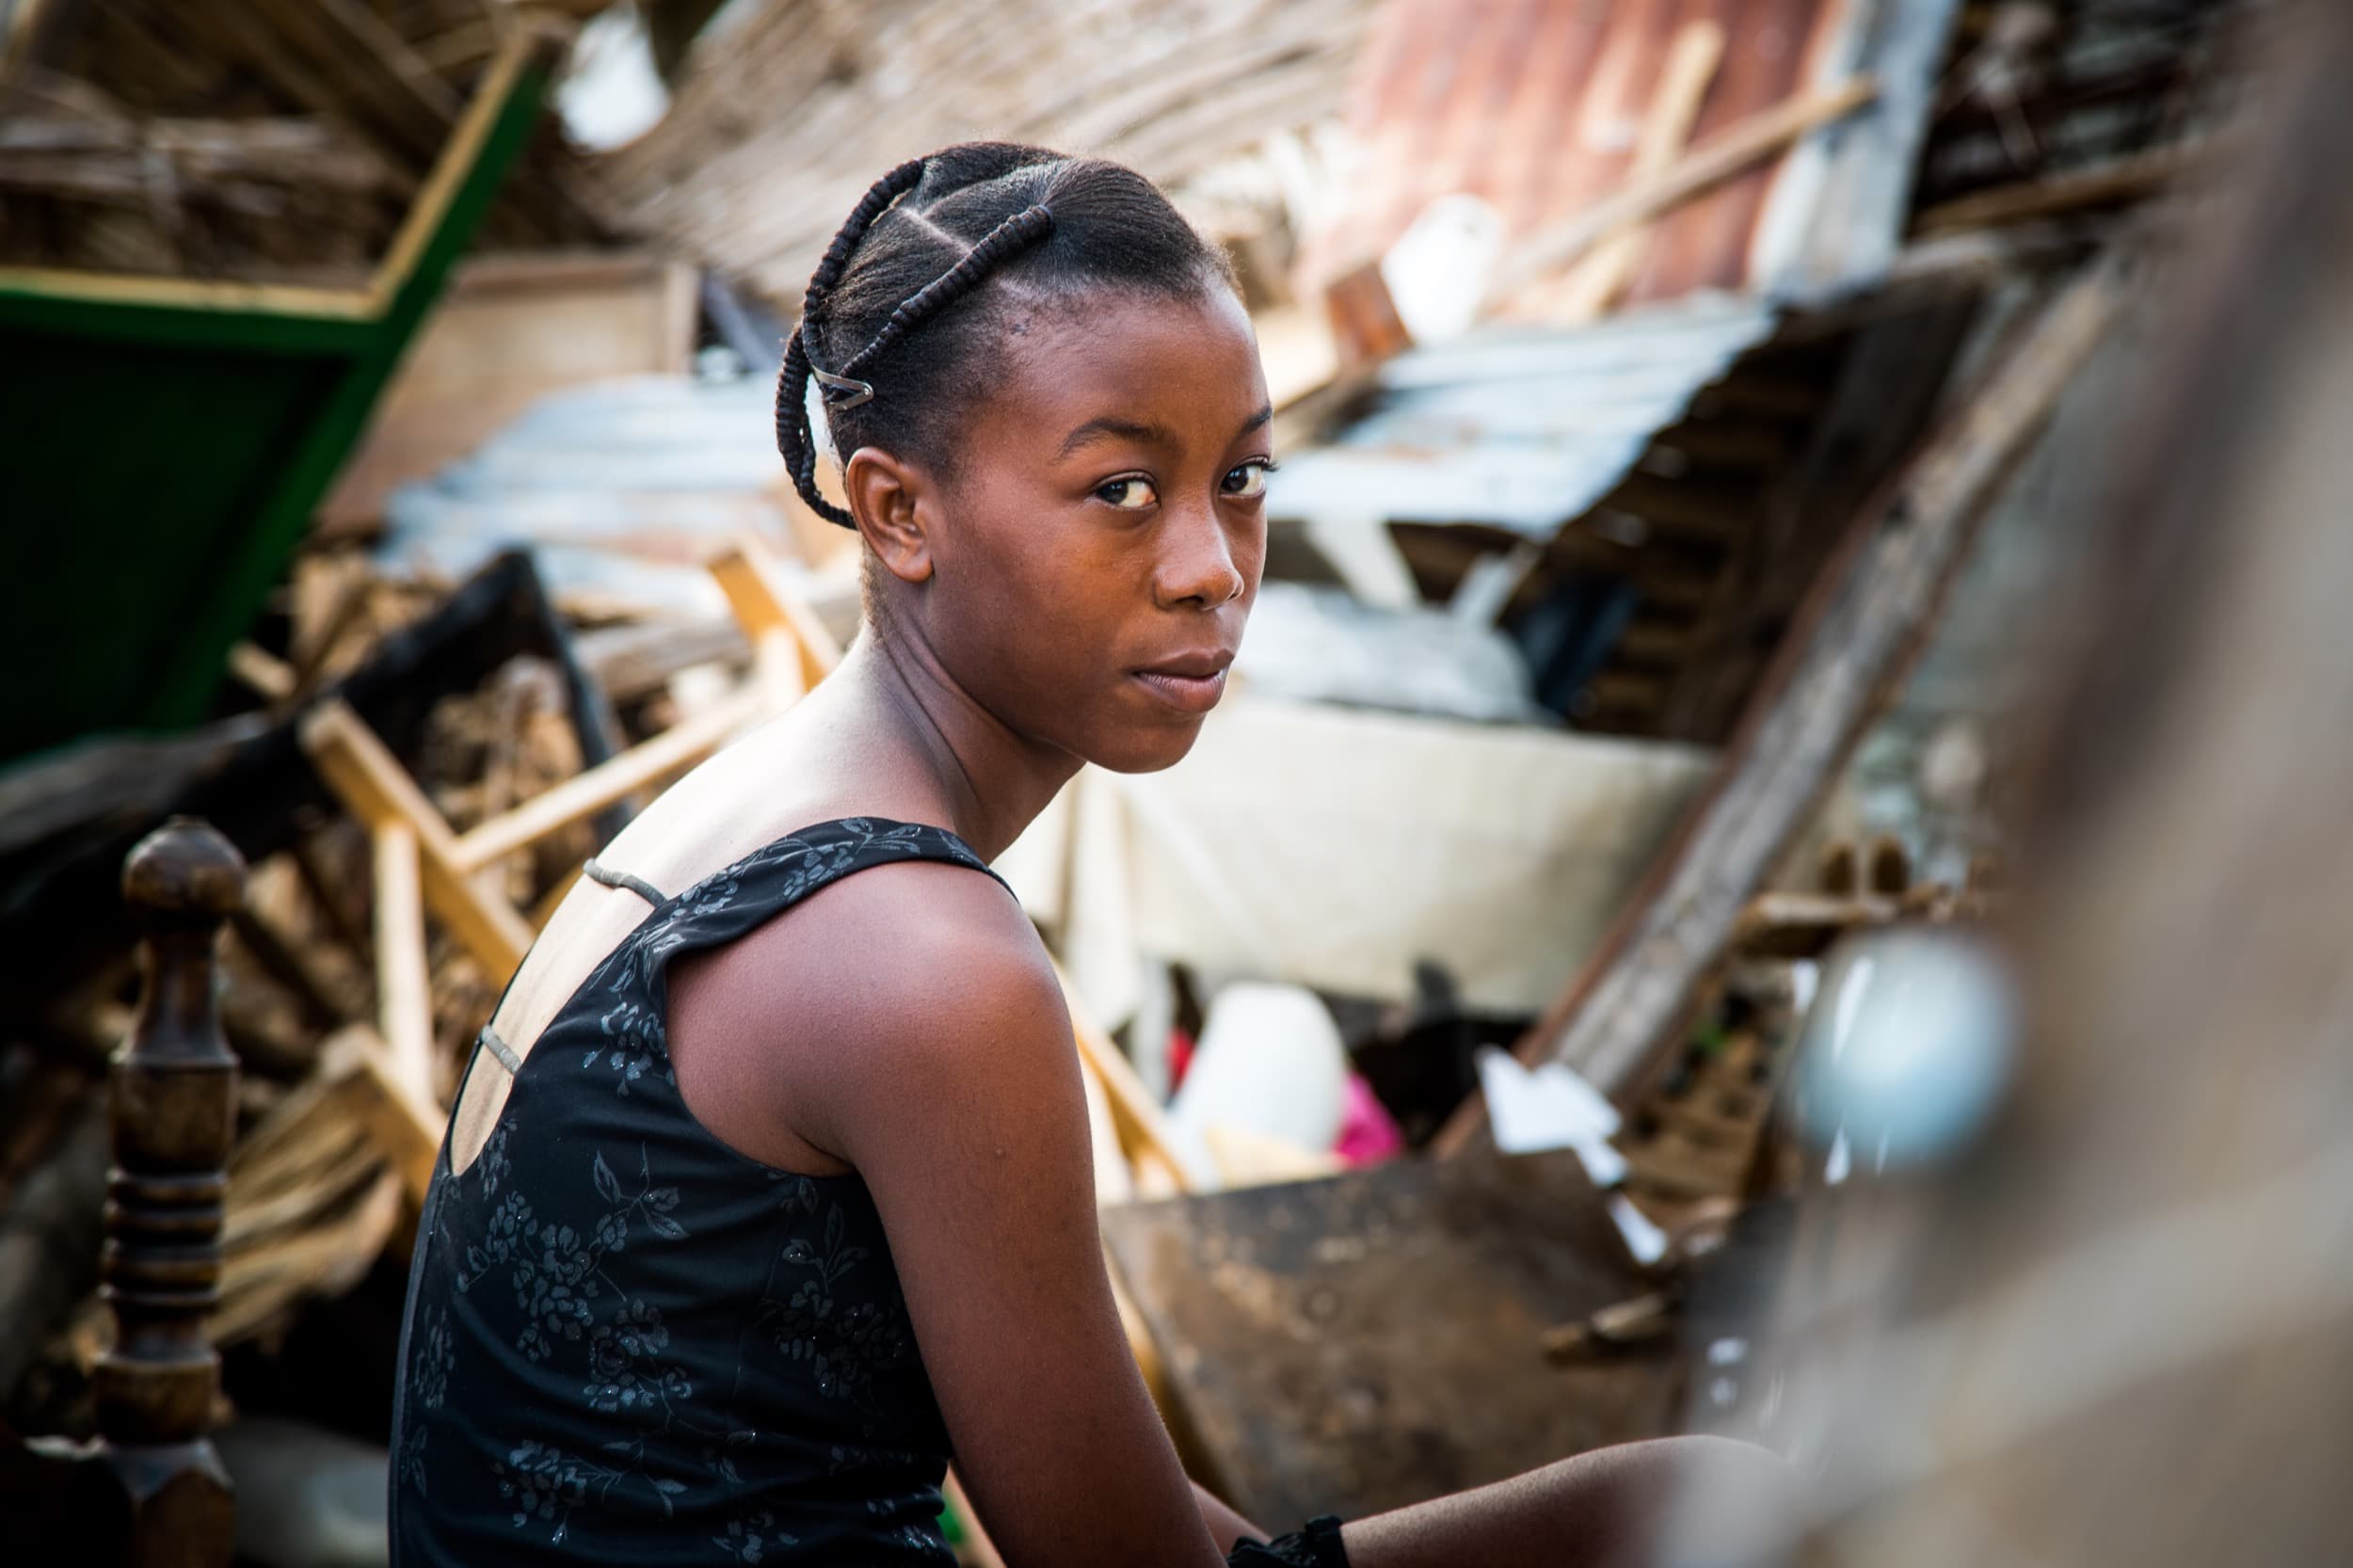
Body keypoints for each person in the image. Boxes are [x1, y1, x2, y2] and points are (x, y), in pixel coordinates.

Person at [388, 143, 1786, 1568]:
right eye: (1121, 487)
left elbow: (1105, 1504)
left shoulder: (733, 817)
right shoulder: (925, 962)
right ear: (898, 512)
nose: (1212, 565)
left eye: (1241, 475)